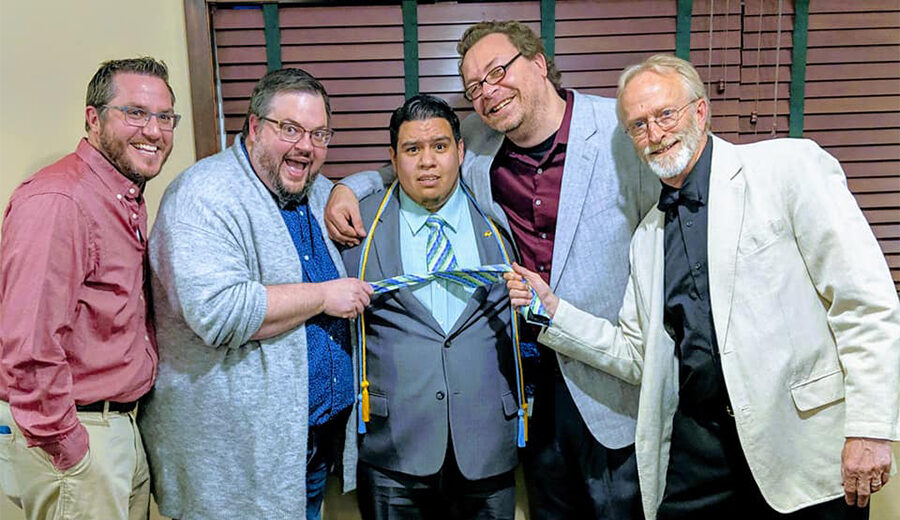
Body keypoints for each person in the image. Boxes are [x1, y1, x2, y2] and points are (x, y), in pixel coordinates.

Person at [505, 54, 900, 520]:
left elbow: (865, 304)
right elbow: (636, 355)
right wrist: (552, 311)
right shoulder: (647, 237)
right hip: (698, 449)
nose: (654, 134)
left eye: (665, 114)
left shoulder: (788, 167)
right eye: (638, 126)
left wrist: (870, 429)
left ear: (699, 110)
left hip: (800, 444)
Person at [325, 21, 657, 519]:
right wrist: (346, 187)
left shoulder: (620, 131)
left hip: (611, 386)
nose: (487, 91)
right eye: (474, 86)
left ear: (539, 63)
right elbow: (411, 159)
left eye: (497, 71)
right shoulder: (481, 150)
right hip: (535, 395)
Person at [139, 68, 372, 519]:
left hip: (304, 446)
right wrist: (323, 297)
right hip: (233, 463)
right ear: (253, 127)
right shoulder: (204, 195)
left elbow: (386, 174)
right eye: (290, 129)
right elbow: (220, 313)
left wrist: (346, 187)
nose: (306, 146)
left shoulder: (312, 187)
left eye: (319, 134)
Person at [0, 57, 178, 520]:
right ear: (93, 118)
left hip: (120, 426)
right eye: (135, 113)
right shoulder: (60, 200)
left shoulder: (122, 196)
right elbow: (27, 347)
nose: (154, 131)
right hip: (78, 434)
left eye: (164, 117)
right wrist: (69, 448)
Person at [343, 94, 522, 520]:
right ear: (393, 157)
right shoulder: (358, 228)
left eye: (440, 147)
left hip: (487, 445)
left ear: (460, 151)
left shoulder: (499, 219)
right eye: (412, 149)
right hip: (394, 449)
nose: (428, 161)